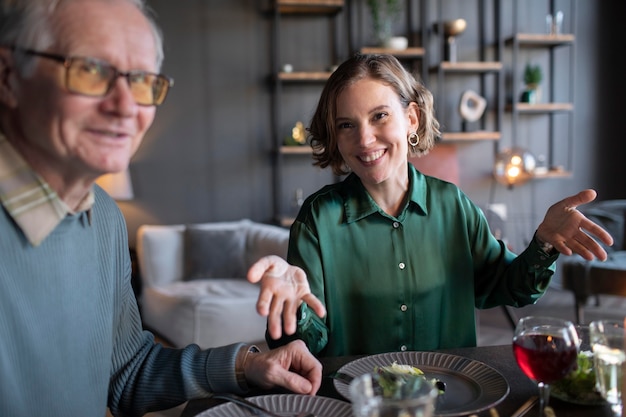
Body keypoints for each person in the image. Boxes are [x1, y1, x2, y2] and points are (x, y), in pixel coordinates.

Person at [0, 1, 324, 415]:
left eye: (142, 81)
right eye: (91, 70)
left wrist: (247, 365)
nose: (125, 106)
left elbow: (126, 373)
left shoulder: (103, 216)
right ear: (9, 77)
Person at [264, 53, 614, 357]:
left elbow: (508, 286)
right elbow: (307, 344)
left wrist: (544, 243)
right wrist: (293, 311)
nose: (365, 139)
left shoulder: (453, 204)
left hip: (450, 399)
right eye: (346, 125)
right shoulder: (317, 220)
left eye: (380, 116)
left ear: (411, 120)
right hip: (355, 403)